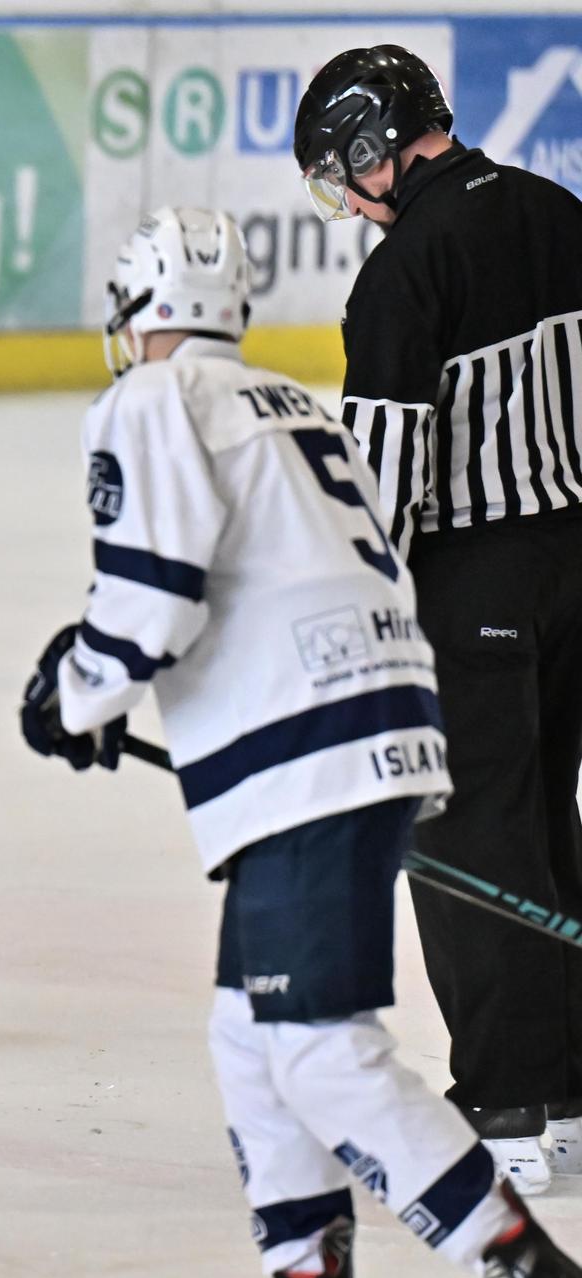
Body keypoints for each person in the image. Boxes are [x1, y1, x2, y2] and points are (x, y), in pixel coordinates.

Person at [20, 206, 579, 1278]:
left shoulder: (154, 397)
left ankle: (523, 1264)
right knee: (252, 1039)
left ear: (138, 311)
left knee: (325, 1053)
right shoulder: (289, 403)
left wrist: (77, 693)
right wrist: (105, 678)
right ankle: (306, 1262)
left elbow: (154, 598)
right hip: (378, 725)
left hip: (308, 762)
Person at [296, 44, 582, 1193]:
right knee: (548, 821)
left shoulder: (406, 269)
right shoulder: (560, 211)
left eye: (342, 171)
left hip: (471, 590)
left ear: (374, 147)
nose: (350, 198)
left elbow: (383, 478)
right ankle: (564, 1082)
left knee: (468, 836)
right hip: (574, 568)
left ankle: (508, 1098)